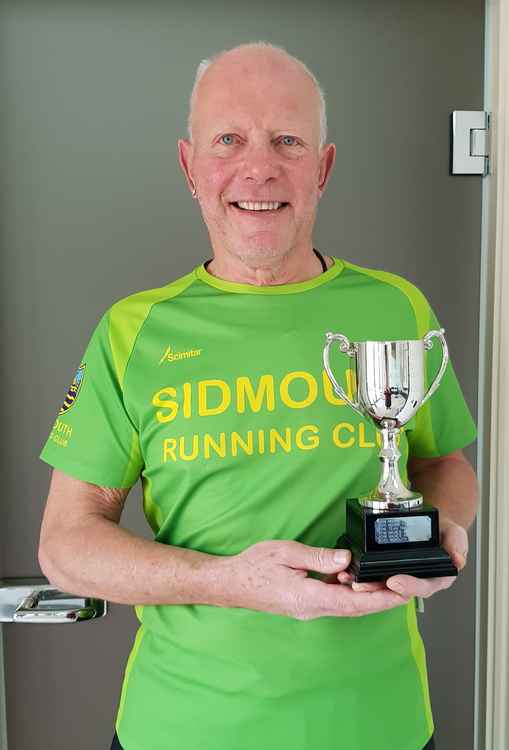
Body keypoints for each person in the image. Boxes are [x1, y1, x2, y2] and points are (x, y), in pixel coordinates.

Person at [38, 41, 478, 750]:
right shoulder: (132, 330)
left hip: (379, 727)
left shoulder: (398, 309)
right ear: (190, 167)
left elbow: (443, 466)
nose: (259, 166)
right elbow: (66, 545)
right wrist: (229, 581)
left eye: (287, 141)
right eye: (229, 140)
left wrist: (444, 529)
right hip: (178, 730)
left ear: (323, 168)